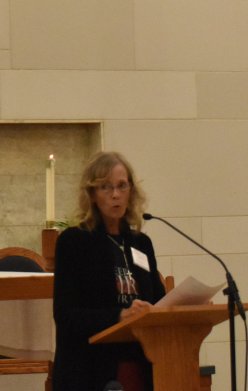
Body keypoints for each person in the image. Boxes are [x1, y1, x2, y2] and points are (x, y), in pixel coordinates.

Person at [52, 151, 166, 391]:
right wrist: (119, 316)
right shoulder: (74, 242)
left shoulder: (141, 243)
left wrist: (188, 304)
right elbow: (66, 317)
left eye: (122, 186)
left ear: (131, 191)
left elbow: (158, 301)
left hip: (142, 362)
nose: (116, 195)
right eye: (106, 187)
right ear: (92, 194)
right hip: (89, 368)